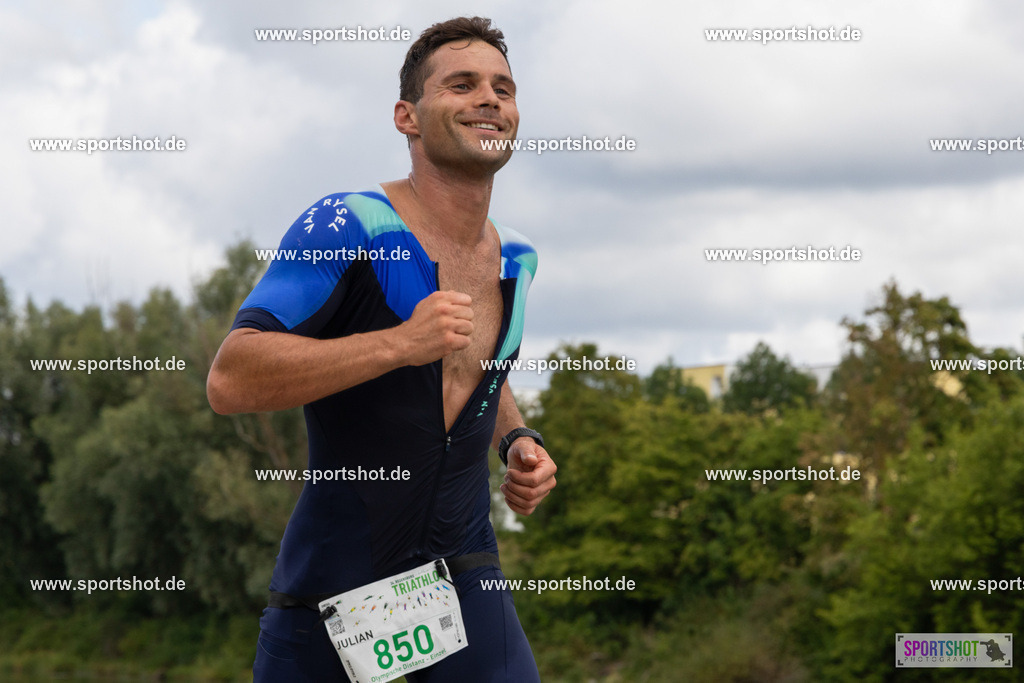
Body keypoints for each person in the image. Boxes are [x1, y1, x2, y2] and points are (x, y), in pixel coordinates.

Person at [206, 16, 556, 682]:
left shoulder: (518, 257)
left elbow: (480, 367)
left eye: (502, 88)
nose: (489, 99)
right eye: (462, 84)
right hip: (337, 587)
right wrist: (398, 344)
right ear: (408, 116)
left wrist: (517, 440)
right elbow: (231, 377)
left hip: (465, 574)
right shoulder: (346, 224)